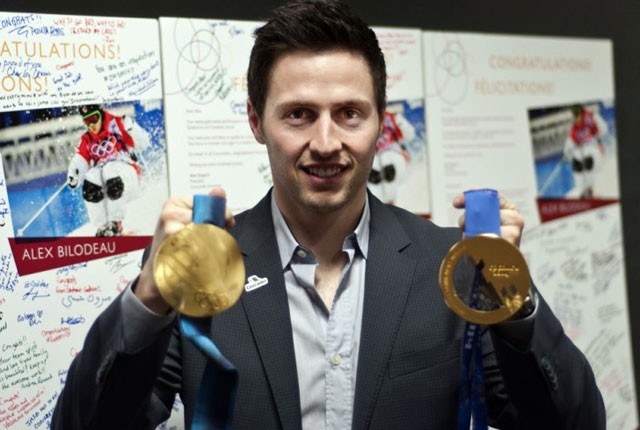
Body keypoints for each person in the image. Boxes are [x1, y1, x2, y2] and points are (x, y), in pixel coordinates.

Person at [52, 1, 605, 429]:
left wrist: (514, 300)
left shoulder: (455, 267)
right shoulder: (197, 272)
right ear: (255, 122)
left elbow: (575, 423)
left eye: (349, 114)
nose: (325, 142)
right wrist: (148, 298)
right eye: (298, 114)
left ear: (380, 123)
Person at [67, 104, 149, 236]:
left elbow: (144, 143)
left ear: (101, 114)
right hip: (107, 181)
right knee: (91, 178)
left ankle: (116, 222)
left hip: (128, 176)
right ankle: (102, 227)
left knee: (110, 170)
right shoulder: (86, 139)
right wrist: (75, 173)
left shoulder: (117, 123)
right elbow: (80, 159)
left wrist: (132, 128)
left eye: (94, 118)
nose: (92, 125)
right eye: (87, 121)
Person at [563, 104, 607, 199]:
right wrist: (567, 153)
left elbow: (603, 129)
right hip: (582, 149)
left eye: (577, 115)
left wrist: (596, 134)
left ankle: (591, 188)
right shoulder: (574, 127)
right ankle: (583, 190)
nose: (576, 118)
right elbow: (570, 141)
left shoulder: (591, 118)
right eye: (574, 115)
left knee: (588, 161)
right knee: (577, 164)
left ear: (582, 113)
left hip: (593, 149)